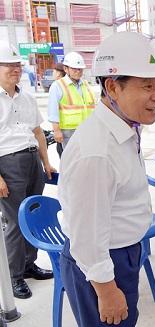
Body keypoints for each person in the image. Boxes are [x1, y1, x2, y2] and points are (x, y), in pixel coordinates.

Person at [58, 32, 155, 326]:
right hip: (101, 262)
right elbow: (87, 233)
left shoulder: (125, 127)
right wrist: (106, 289)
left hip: (122, 254)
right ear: (113, 87)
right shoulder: (97, 151)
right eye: (147, 87)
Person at [0, 41, 56, 299]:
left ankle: (28, 264)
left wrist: (46, 162)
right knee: (15, 221)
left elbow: (37, 132)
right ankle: (13, 276)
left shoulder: (26, 97)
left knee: (33, 216)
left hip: (33, 159)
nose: (15, 69)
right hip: (7, 163)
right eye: (9, 65)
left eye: (17, 65)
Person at [47, 51, 96, 151]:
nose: (78, 71)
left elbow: (93, 106)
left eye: (80, 69)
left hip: (87, 129)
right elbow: (53, 111)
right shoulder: (58, 86)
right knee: (72, 159)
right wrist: (56, 131)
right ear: (66, 69)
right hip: (68, 131)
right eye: (74, 69)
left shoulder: (86, 84)